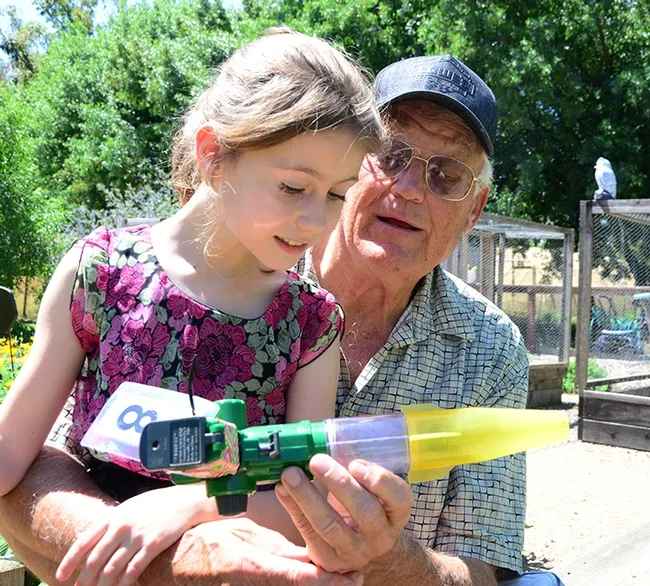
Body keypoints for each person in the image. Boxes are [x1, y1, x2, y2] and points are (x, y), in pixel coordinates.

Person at [0, 54, 566, 586]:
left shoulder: (484, 348)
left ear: (475, 207)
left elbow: (480, 566)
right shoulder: (114, 274)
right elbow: (32, 468)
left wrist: (385, 554)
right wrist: (178, 560)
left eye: (446, 176)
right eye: (392, 157)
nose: (410, 189)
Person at [0, 28, 388, 586]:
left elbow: (303, 498)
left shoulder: (310, 323)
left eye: (335, 195)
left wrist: (189, 507)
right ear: (214, 156)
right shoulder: (101, 272)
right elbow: (12, 455)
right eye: (292, 186)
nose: (316, 221)